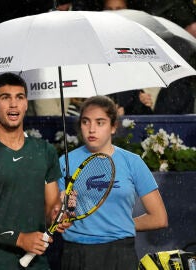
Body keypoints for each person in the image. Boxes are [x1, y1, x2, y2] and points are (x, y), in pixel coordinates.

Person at [0, 72, 70, 269]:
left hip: (38, 262)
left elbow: (51, 207)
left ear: (26, 103)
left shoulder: (45, 151)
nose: (13, 105)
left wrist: (58, 215)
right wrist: (20, 239)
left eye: (19, 97)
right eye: (5, 98)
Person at [58, 95, 168, 270]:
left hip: (120, 254)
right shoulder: (65, 162)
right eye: (86, 122)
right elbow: (54, 215)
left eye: (100, 122)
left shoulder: (132, 162)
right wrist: (61, 213)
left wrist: (120, 223)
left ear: (113, 127)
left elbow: (159, 218)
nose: (91, 129)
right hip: (76, 254)